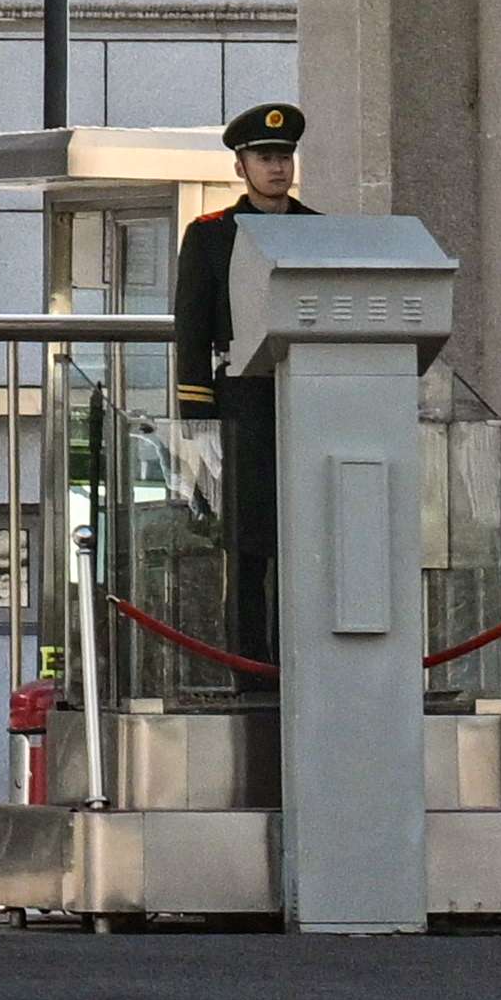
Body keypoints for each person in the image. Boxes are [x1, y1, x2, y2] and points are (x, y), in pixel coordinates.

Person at [167, 99, 306, 677]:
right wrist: (198, 421)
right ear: (241, 167)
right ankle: (252, 668)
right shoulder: (209, 236)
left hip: (303, 399)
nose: (278, 168)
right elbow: (192, 332)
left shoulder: (317, 231)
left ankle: (303, 662)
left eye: (285, 157)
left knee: (303, 543)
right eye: (265, 158)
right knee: (247, 549)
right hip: (240, 403)